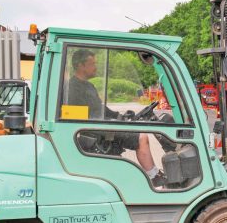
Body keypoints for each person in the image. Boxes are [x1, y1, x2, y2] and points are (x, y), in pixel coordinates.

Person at [67, 49, 160, 181]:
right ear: (81, 66)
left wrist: (119, 116)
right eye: (92, 64)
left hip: (98, 127)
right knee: (141, 137)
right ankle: (154, 177)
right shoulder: (73, 88)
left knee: (136, 132)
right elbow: (78, 114)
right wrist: (110, 120)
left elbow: (100, 108)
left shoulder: (88, 86)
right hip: (92, 131)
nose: (96, 67)